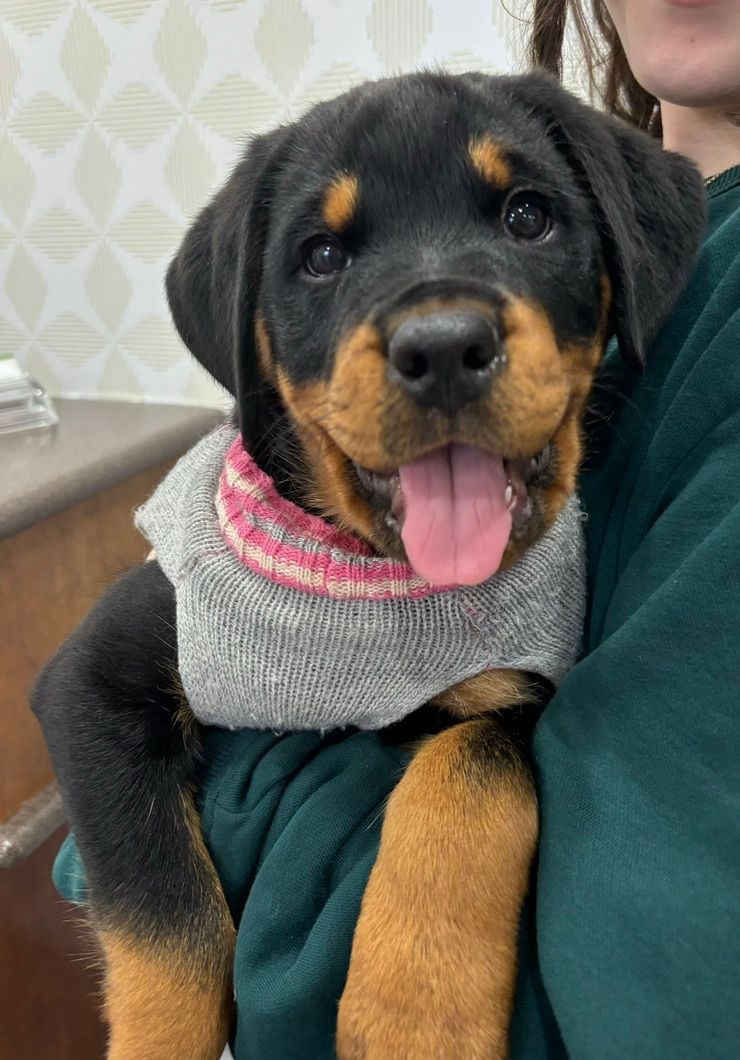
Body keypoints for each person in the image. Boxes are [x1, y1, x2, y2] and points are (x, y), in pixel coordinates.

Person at [55, 1, 740, 1056]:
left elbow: (517, 721)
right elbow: (91, 699)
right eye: (323, 255)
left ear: (627, 270)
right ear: (251, 345)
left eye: (522, 219)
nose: (436, 326)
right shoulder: (229, 567)